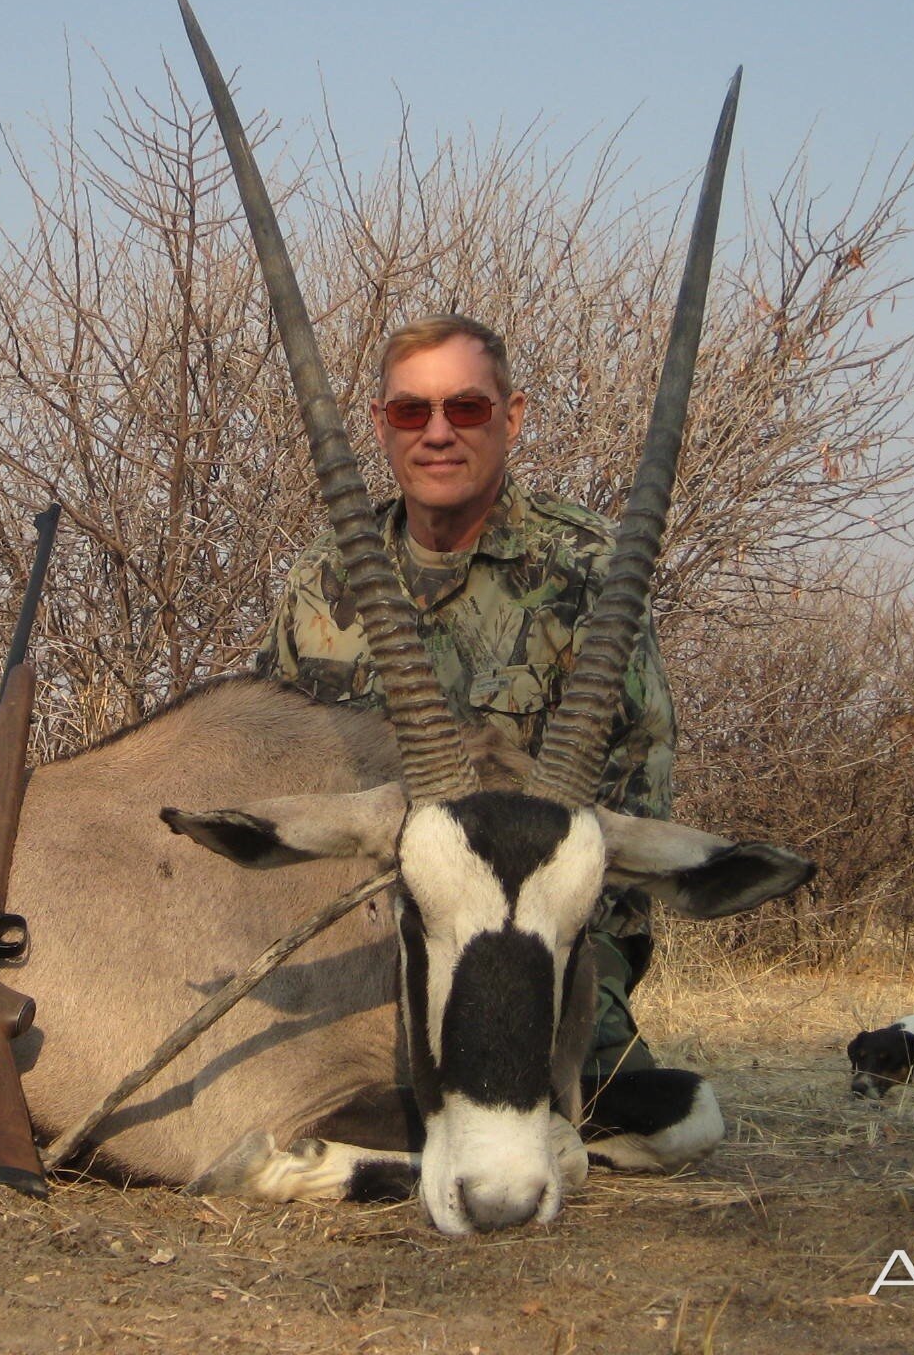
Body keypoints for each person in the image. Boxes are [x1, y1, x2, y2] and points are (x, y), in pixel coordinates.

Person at [252, 313, 676, 1094]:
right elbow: (267, 759)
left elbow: (629, 804)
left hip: (533, 939)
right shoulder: (323, 579)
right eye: (412, 411)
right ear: (381, 426)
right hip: (354, 937)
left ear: (511, 417)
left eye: (467, 408)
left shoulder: (591, 569)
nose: (438, 433)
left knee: (607, 1103)